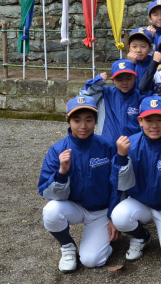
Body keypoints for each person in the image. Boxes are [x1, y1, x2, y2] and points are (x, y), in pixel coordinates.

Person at [38, 96, 121, 273]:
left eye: (89, 120)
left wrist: (114, 217)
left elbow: (118, 183)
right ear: (68, 120)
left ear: (95, 121)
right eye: (77, 120)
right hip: (74, 207)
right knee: (51, 211)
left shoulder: (107, 146)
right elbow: (45, 191)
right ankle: (67, 246)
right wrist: (62, 172)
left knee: (92, 260)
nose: (83, 126)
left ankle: (105, 240)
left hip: (101, 212)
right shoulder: (58, 149)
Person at [111, 96, 161, 266]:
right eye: (148, 120)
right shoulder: (130, 144)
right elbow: (121, 184)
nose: (154, 125)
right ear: (140, 121)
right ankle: (142, 237)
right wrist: (121, 157)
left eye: (160, 119)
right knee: (119, 216)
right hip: (140, 203)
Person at [80, 59, 146, 144]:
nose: (125, 83)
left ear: (135, 78)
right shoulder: (105, 94)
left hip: (133, 147)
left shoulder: (140, 97)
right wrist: (97, 82)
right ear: (113, 80)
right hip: (107, 145)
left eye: (128, 78)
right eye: (120, 79)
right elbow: (84, 98)